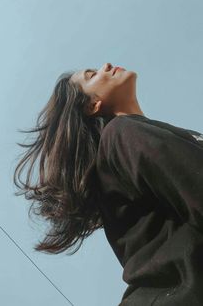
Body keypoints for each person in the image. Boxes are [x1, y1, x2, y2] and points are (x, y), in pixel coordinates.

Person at [13, 62, 203, 305]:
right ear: (93, 105)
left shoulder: (140, 135)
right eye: (92, 75)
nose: (106, 65)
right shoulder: (121, 134)